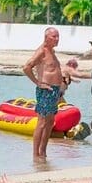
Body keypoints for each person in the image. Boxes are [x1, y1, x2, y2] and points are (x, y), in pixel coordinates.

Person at [23, 28, 63, 162]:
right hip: (46, 90)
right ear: (46, 37)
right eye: (54, 36)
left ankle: (43, 152)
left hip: (54, 90)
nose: (57, 39)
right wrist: (38, 82)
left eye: (58, 36)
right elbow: (27, 67)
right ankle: (35, 155)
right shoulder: (42, 51)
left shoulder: (52, 51)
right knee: (42, 122)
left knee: (50, 122)